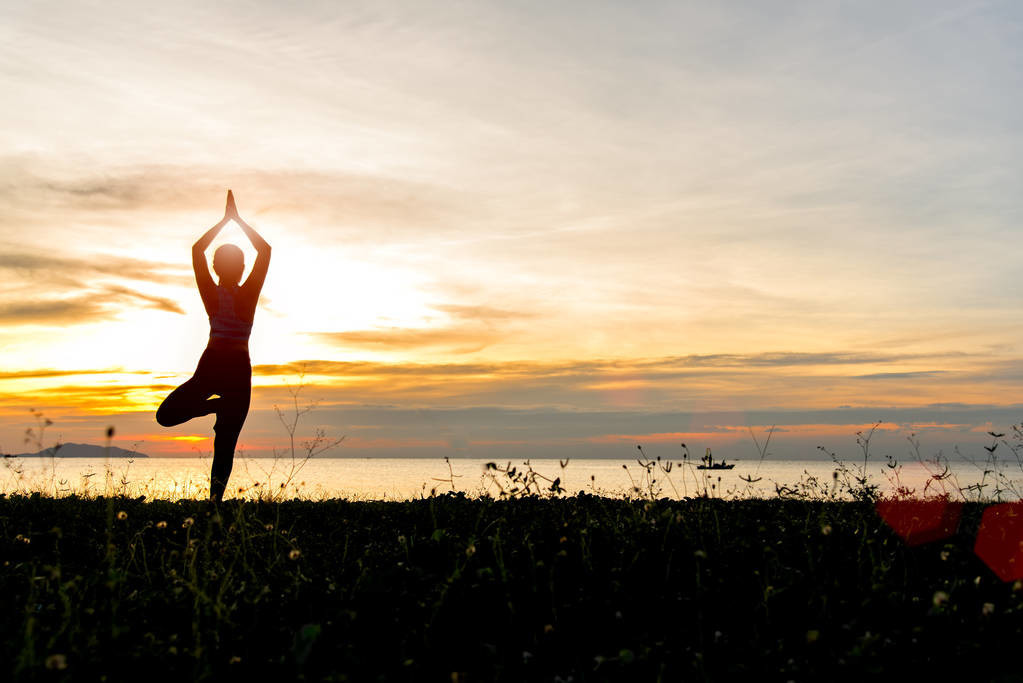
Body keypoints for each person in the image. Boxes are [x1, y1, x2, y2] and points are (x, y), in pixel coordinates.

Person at [156, 190, 271, 502]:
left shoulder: (211, 292)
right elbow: (266, 251)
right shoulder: (248, 294)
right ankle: (214, 502)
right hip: (233, 369)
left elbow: (197, 250)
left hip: (214, 365)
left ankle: (214, 504)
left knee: (168, 416)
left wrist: (225, 221)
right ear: (243, 268)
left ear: (217, 267)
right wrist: (237, 221)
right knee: (226, 441)